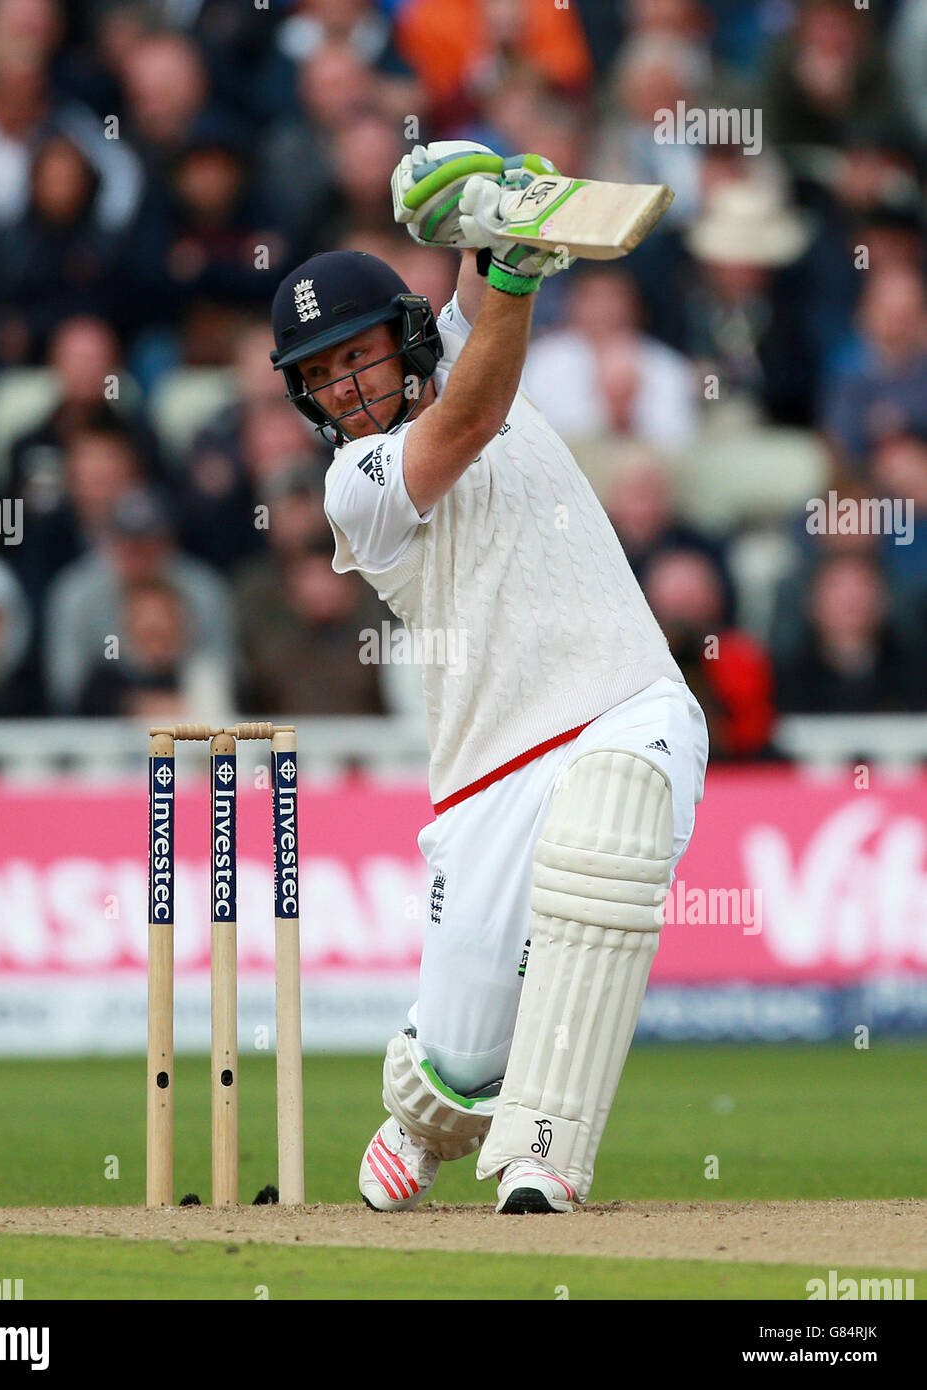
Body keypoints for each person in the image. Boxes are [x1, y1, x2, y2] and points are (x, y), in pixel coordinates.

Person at [270, 145, 708, 1214]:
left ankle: (542, 1159)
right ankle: (427, 1113)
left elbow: (482, 284)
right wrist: (511, 258)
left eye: (358, 356)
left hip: (627, 701)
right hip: (486, 776)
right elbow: (466, 417)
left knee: (606, 849)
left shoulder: (467, 341)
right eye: (321, 374)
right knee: (456, 1064)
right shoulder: (355, 486)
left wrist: (484, 196)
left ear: (407, 336)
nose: (345, 386)